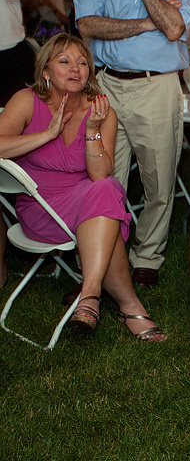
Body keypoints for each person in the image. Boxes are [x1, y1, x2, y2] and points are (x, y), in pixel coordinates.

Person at [0, 33, 166, 342]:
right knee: (107, 204)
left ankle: (90, 295)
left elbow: (100, 173)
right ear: (46, 71)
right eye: (64, 61)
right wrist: (46, 135)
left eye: (82, 62)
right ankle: (127, 305)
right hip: (40, 208)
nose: (76, 69)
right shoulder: (26, 100)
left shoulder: (102, 111)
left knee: (106, 188)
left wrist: (91, 131)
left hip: (88, 208)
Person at [74, 0, 190, 288]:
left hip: (155, 86)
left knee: (159, 179)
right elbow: (87, 25)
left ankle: (147, 253)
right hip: (105, 85)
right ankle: (107, 251)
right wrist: (149, 22)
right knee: (103, 177)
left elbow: (175, 29)